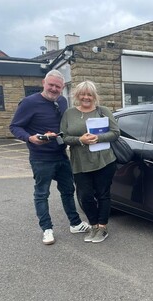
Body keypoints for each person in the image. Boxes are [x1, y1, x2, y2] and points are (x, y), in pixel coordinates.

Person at [9, 70, 90, 245]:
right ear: (44, 83)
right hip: (41, 158)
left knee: (68, 190)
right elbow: (15, 127)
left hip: (61, 154)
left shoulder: (62, 101)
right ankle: (47, 229)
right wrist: (30, 138)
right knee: (42, 194)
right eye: (51, 85)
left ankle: (75, 223)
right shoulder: (29, 103)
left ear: (62, 88)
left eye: (57, 86)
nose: (54, 89)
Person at [60, 80, 120, 243]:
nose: (86, 97)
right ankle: (93, 224)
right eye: (82, 94)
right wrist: (80, 140)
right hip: (80, 162)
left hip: (104, 160)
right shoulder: (69, 113)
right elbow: (63, 137)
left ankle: (102, 227)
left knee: (103, 194)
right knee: (85, 196)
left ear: (94, 96)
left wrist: (98, 137)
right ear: (77, 95)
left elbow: (116, 133)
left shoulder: (103, 111)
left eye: (89, 94)